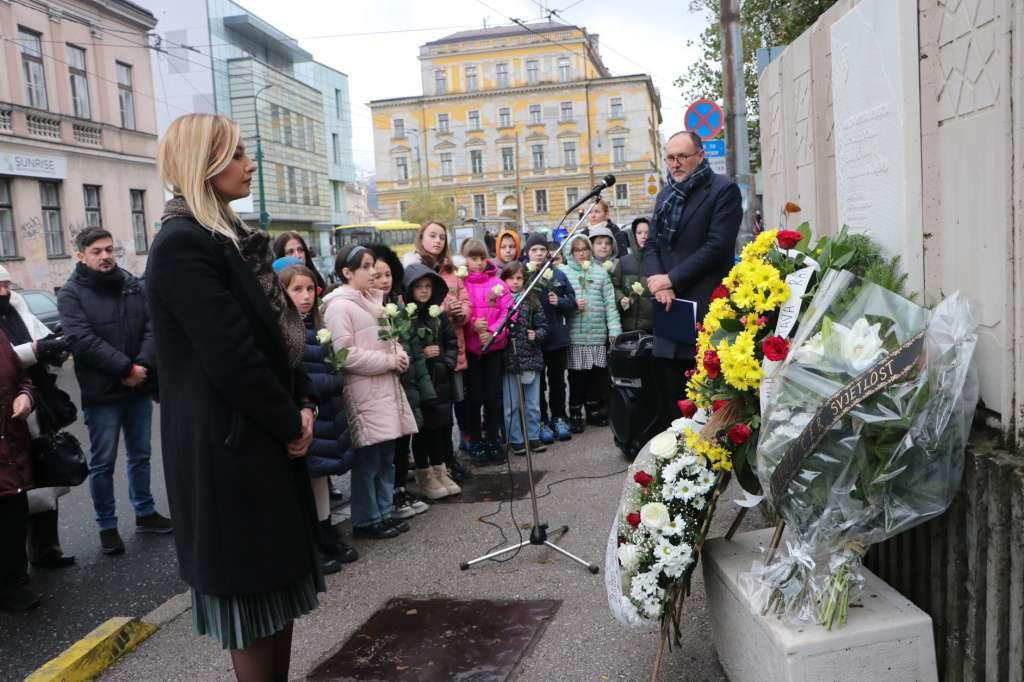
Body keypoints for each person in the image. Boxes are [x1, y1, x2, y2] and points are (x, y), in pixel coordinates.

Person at [147, 113, 321, 675]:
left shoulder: (229, 238)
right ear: (206, 163)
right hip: (229, 449)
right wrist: (290, 423)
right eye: (239, 154)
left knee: (275, 595)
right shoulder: (182, 243)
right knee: (251, 601)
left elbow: (277, 338)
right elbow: (232, 357)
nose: (251, 164)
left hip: (259, 439)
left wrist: (304, 404)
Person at [58, 226, 170, 555]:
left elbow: (152, 327)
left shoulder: (131, 284)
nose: (106, 256)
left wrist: (142, 366)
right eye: (97, 252)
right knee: (103, 462)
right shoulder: (71, 293)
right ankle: (107, 525)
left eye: (109, 250)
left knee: (141, 456)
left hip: (137, 387)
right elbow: (81, 339)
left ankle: (145, 512)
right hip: (102, 393)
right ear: (81, 256)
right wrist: (125, 369)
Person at [323, 245, 418, 540]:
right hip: (364, 392)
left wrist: (399, 353)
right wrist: (390, 361)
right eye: (365, 266)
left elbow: (388, 341)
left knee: (385, 457)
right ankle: (366, 519)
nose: (373, 271)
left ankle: (384, 512)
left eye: (371, 264)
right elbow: (345, 355)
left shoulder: (373, 302)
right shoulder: (339, 307)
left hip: (384, 390)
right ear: (347, 273)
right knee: (368, 461)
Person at [644, 131, 742, 404]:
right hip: (667, 306)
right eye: (670, 158)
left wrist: (671, 280)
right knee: (671, 396)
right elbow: (651, 244)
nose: (675, 163)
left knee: (705, 398)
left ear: (700, 156)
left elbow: (716, 247)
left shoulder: (723, 190)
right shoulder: (665, 195)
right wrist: (656, 280)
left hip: (704, 305)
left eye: (681, 157)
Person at [278, 261, 358, 575]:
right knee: (307, 481)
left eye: (310, 288)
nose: (306, 296)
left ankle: (326, 532)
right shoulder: (286, 331)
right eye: (297, 289)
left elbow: (330, 365)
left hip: (324, 416)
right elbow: (306, 376)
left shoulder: (315, 326)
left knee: (321, 479)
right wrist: (332, 381)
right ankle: (313, 540)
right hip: (305, 415)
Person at [0, 270, 76, 569]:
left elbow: (38, 335)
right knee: (15, 487)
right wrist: (35, 351)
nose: (4, 291)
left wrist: (52, 345)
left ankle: (46, 548)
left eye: (6, 285)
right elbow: (10, 357)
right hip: (11, 406)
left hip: (33, 396)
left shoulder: (17, 305)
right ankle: (14, 564)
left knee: (46, 473)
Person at [368, 244, 434, 521]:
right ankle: (388, 497)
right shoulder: (368, 307)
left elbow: (414, 347)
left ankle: (399, 488)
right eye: (378, 275)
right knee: (388, 444)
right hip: (382, 382)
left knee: (403, 441)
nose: (384, 280)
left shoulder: (398, 305)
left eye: (388, 275)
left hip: (406, 381)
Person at [404, 221, 473, 482]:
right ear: (421, 238)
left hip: (450, 351)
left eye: (442, 237)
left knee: (449, 409)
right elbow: (408, 308)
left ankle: (448, 460)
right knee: (429, 414)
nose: (438, 241)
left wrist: (461, 312)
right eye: (432, 236)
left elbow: (465, 301)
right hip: (426, 356)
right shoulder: (411, 270)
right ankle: (431, 466)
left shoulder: (451, 271)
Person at [403, 263, 461, 499]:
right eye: (419, 287)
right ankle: (424, 472)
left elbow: (451, 343)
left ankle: (440, 469)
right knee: (421, 429)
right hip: (418, 381)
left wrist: (446, 363)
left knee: (439, 427)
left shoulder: (438, 315)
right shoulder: (407, 317)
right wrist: (423, 355)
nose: (424, 291)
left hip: (439, 380)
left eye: (428, 286)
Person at [559, 234, 621, 433]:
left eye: (584, 249)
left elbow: (610, 303)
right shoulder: (564, 272)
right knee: (578, 377)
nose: (581, 253)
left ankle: (594, 410)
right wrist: (572, 305)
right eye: (577, 250)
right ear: (570, 252)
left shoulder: (600, 272)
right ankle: (575, 412)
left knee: (596, 376)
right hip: (576, 336)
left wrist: (614, 329)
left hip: (597, 334)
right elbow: (560, 302)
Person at [460, 238, 512, 464]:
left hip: (494, 348)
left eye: (482, 258)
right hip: (472, 350)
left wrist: (492, 331)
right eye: (474, 258)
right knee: (474, 398)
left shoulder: (497, 283)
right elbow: (457, 312)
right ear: (466, 260)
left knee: (493, 397)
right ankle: (476, 442)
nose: (479, 263)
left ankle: (493, 438)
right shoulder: (461, 284)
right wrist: (472, 326)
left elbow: (508, 310)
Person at [523, 233, 575, 443]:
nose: (538, 254)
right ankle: (542, 421)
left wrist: (560, 301)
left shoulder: (558, 275)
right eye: (534, 250)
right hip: (534, 339)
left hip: (556, 337)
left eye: (542, 250)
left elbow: (571, 300)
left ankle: (559, 417)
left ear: (548, 253)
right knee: (538, 384)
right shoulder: (524, 275)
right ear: (527, 253)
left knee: (557, 381)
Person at [0, 328, 38, 612]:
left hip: (10, 445)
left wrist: (25, 396)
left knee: (14, 514)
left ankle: (15, 580)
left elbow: (21, 377)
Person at [499, 262, 548, 455]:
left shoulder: (531, 301)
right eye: (511, 278)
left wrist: (537, 334)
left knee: (532, 403)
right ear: (503, 280)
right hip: (509, 359)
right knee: (511, 405)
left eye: (519, 278)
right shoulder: (500, 300)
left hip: (531, 358)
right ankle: (516, 439)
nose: (515, 282)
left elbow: (544, 326)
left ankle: (534, 436)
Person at [613, 218, 654, 333]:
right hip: (626, 327)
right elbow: (615, 286)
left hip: (651, 329)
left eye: (647, 232)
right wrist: (620, 298)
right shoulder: (624, 261)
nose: (643, 236)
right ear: (634, 235)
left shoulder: (659, 262)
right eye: (639, 233)